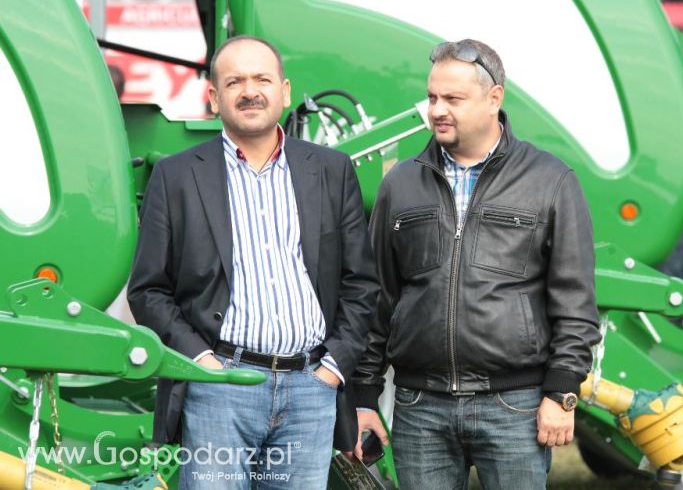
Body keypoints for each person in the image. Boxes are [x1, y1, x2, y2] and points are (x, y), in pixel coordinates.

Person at [127, 35, 379, 489]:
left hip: (310, 388)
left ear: (284, 90)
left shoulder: (331, 170)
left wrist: (333, 367)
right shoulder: (178, 175)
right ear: (213, 97)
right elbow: (149, 288)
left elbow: (360, 282)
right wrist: (200, 361)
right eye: (235, 81)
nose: (250, 90)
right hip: (219, 388)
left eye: (262, 78)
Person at [351, 39, 601, 489]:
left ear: (494, 99)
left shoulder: (550, 181)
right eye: (432, 98)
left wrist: (562, 392)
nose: (437, 110)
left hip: (514, 406)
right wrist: (363, 393)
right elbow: (378, 297)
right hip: (419, 405)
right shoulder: (401, 184)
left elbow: (575, 301)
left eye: (453, 98)